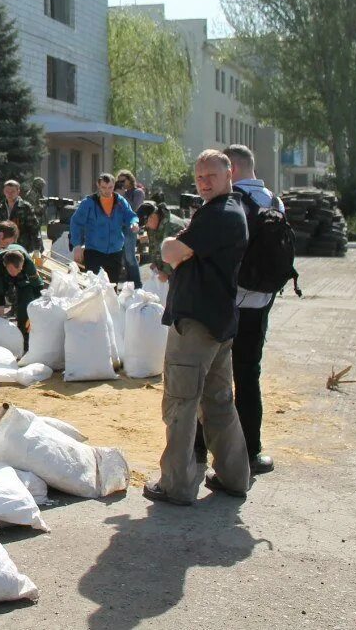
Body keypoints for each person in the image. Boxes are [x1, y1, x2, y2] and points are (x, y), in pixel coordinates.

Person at [144, 150, 251, 506]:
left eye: (211, 175)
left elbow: (171, 252)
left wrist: (174, 247)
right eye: (200, 176)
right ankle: (234, 477)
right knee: (218, 402)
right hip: (217, 322)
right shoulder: (227, 211)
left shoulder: (220, 214)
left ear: (229, 174)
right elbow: (180, 252)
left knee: (181, 402)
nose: (204, 182)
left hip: (196, 325)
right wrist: (179, 249)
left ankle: (176, 485)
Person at [195, 144, 284, 475]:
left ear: (229, 169)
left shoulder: (226, 202)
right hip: (261, 301)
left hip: (226, 302)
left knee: (209, 377)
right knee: (248, 375)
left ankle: (198, 448)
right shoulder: (275, 202)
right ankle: (251, 452)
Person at [69, 173, 139, 281]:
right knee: (94, 286)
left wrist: (134, 222)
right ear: (98, 185)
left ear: (114, 185)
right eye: (104, 187)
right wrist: (77, 245)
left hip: (115, 252)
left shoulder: (120, 201)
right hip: (94, 252)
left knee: (112, 286)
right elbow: (76, 223)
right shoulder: (89, 203)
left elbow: (130, 215)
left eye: (110, 187)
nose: (107, 190)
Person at [0, 244, 44, 347]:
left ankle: (24, 340)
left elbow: (37, 286)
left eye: (18, 270)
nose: (15, 273)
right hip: (1, 278)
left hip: (22, 281)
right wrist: (0, 323)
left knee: (26, 305)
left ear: (22, 265)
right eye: (12, 271)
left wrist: (35, 312)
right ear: (5, 265)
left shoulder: (28, 264)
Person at [137, 201, 188, 280]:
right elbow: (154, 245)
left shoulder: (174, 226)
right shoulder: (153, 226)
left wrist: (167, 273)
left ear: (153, 216)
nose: (146, 226)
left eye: (146, 223)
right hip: (164, 276)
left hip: (180, 275)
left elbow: (181, 256)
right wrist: (155, 263)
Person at [116, 170, 146, 288]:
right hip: (120, 227)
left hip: (130, 227)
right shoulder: (120, 192)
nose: (121, 183)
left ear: (130, 179)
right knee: (123, 258)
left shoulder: (138, 192)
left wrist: (123, 196)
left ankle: (137, 284)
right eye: (119, 182)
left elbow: (134, 209)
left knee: (130, 256)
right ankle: (130, 284)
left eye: (123, 181)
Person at [0, 179, 43, 254]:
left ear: (18, 192)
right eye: (7, 191)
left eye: (13, 191)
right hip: (5, 246)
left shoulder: (25, 207)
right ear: (4, 191)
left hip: (22, 246)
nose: (9, 194)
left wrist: (37, 248)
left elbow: (34, 228)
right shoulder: (1, 208)